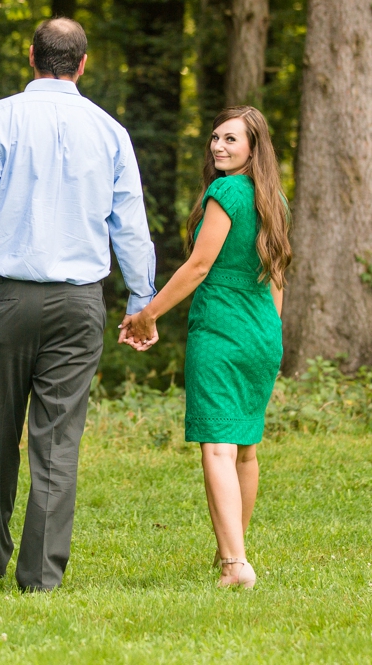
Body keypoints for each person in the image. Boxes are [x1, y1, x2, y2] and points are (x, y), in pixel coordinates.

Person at [0, 17, 156, 593]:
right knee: (58, 440)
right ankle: (39, 577)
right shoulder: (111, 132)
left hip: (3, 295)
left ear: (31, 57)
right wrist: (142, 299)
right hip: (79, 303)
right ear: (83, 64)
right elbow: (129, 225)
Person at [118, 105, 291, 590]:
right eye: (215, 138)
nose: (218, 146)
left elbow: (198, 266)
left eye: (231, 140)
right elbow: (276, 275)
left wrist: (148, 313)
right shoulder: (274, 198)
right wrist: (271, 332)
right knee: (246, 449)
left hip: (222, 329)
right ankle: (230, 550)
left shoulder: (226, 192)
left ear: (254, 148)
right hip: (262, 331)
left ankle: (236, 566)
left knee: (218, 446)